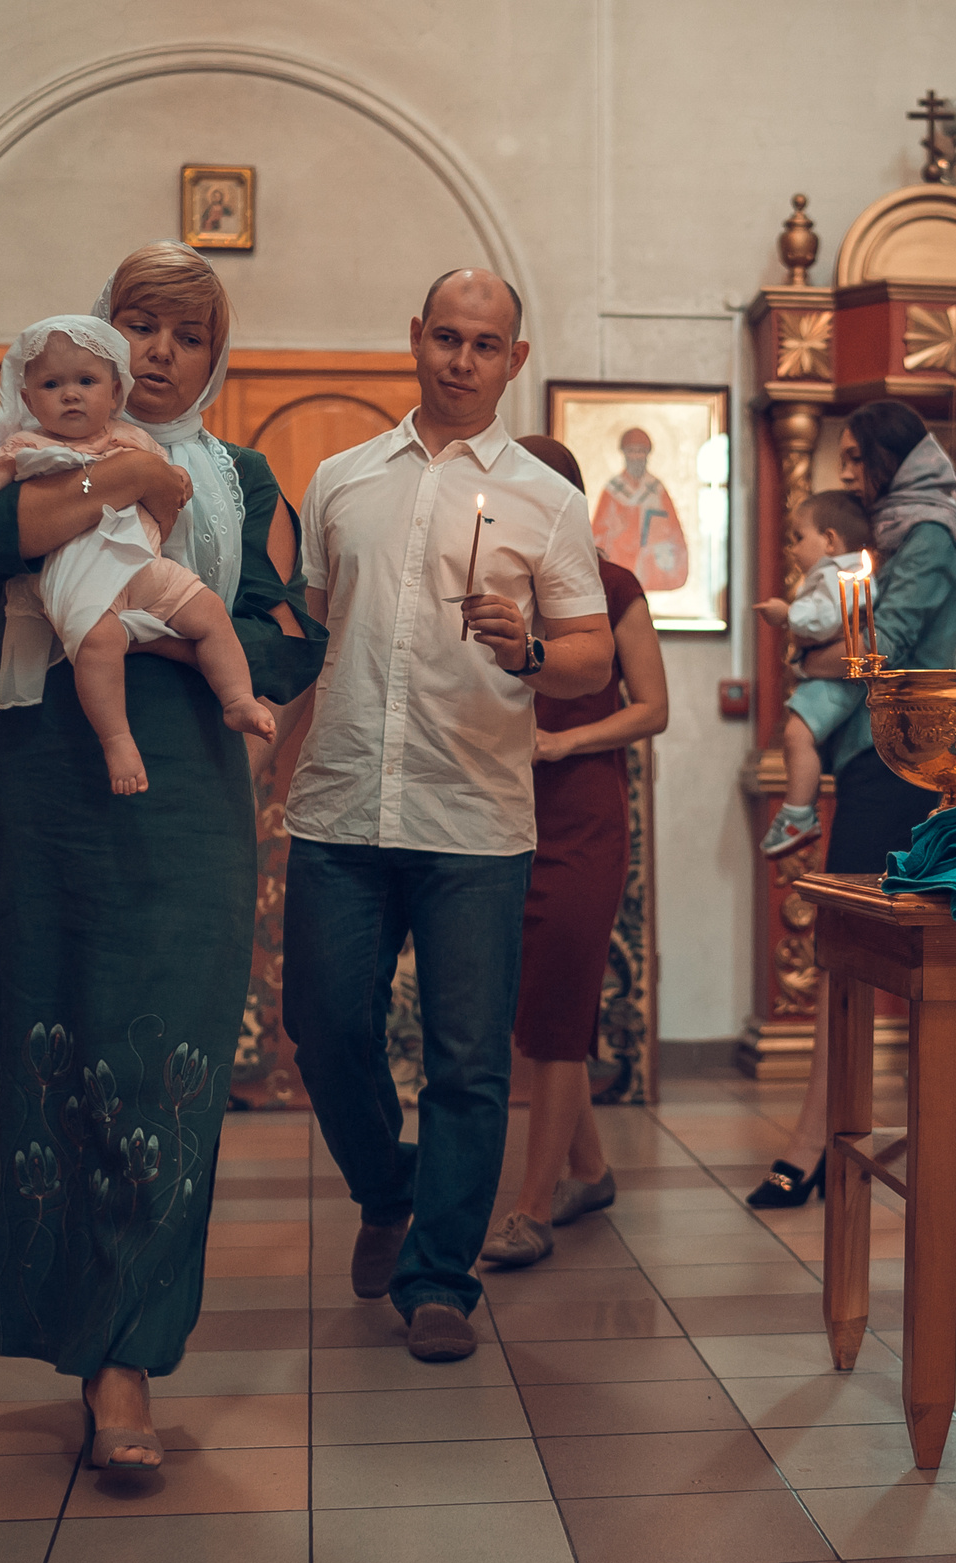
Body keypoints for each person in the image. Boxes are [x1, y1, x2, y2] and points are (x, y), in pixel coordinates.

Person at [0, 242, 325, 1473]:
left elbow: (286, 630)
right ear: (99, 335)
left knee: (165, 1050)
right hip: (40, 776)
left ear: (216, 357)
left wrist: (169, 641)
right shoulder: (26, 439)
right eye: (139, 325)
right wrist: (128, 477)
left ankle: (125, 1367)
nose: (160, 352)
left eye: (189, 335)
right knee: (39, 1028)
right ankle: (61, 1318)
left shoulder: (244, 475)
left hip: (183, 783)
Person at [285, 268, 614, 1361]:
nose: (462, 360)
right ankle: (389, 1191)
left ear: (514, 359)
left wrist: (526, 646)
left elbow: (588, 657)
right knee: (325, 1030)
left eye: (486, 344)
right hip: (340, 804)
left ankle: (439, 1279)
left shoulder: (546, 499)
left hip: (473, 813)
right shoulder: (340, 480)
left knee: (470, 1062)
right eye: (446, 337)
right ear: (414, 337)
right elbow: (316, 637)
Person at [747, 401, 956, 1208]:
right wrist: (824, 647)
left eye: (862, 461)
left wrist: (802, 644)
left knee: (853, 946)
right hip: (879, 756)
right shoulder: (898, 532)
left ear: (896, 460)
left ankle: (823, 1135)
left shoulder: (928, 534)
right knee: (872, 947)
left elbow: (880, 650)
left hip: (902, 757)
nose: (851, 477)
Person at [481, 434, 670, 1268]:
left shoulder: (615, 586)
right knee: (537, 1002)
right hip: (495, 807)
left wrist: (565, 744)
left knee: (559, 1011)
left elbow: (653, 708)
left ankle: (531, 1208)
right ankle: (588, 1169)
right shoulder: (492, 590)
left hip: (582, 810)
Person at [0, 315, 276, 794]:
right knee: (100, 642)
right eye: (52, 384)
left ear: (114, 392)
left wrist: (175, 481)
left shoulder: (129, 439)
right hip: (78, 577)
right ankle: (117, 739)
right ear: (28, 398)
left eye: (86, 381)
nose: (70, 394)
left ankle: (238, 698)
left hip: (140, 564)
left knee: (207, 609)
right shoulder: (27, 445)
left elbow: (168, 486)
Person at [754, 489, 872, 860]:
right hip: (826, 676)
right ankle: (799, 812)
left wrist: (787, 615)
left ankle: (798, 814)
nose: (792, 548)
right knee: (797, 733)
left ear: (830, 539)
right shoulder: (836, 573)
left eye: (798, 537)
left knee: (796, 734)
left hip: (835, 680)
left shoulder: (842, 575)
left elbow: (828, 618)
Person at [590, 426, 693, 591]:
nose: (636, 456)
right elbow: (598, 533)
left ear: (647, 454)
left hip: (650, 563)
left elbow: (673, 531)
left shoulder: (656, 489)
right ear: (624, 453)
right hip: (619, 561)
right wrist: (615, 529)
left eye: (640, 451)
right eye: (631, 451)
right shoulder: (613, 490)